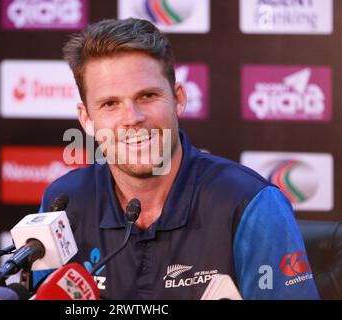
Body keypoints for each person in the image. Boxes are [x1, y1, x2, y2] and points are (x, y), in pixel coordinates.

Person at [39, 18, 319, 300]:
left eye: (147, 96)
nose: (132, 118)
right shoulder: (64, 201)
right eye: (110, 104)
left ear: (178, 98)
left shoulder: (250, 201)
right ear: (86, 119)